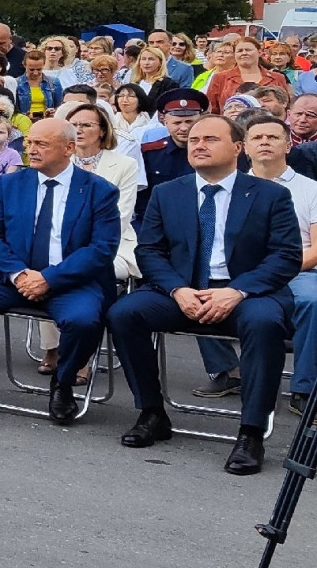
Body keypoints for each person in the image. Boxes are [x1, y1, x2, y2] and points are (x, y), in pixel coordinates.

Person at [108, 114, 301, 475]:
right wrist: (177, 289)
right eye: (194, 139)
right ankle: (151, 412)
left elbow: (286, 256)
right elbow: (149, 251)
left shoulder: (271, 194)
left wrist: (237, 291)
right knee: (125, 313)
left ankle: (251, 432)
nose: (198, 145)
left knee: (264, 324)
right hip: (183, 290)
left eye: (210, 139)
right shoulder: (168, 193)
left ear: (238, 148)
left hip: (247, 293)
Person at [0, 118, 122, 424]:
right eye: (30, 142)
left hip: (71, 281)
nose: (31, 149)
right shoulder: (11, 183)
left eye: (41, 144)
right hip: (14, 277)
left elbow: (101, 249)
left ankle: (63, 384)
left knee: (84, 319)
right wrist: (19, 274)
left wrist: (49, 278)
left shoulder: (100, 191)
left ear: (69, 148)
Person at [241, 116, 317, 418]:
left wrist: (279, 268)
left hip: (298, 269)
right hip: (241, 270)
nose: (264, 143)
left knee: (313, 301)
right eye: (256, 137)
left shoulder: (310, 189)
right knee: (199, 290)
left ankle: (304, 388)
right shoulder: (230, 186)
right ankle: (226, 371)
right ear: (244, 147)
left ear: (288, 144)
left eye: (272, 137)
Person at [137, 88, 206, 223]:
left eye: (189, 122)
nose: (184, 128)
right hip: (161, 222)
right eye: (177, 123)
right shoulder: (150, 153)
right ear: (164, 121)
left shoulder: (214, 152)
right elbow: (143, 200)